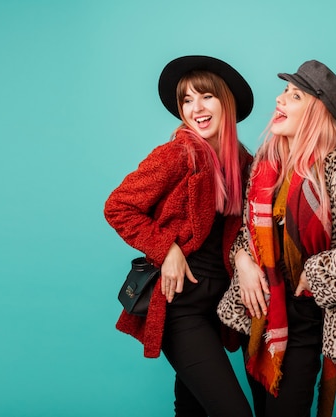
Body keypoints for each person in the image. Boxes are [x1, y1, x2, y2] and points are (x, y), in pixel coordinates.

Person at [217, 60, 336, 417]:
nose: (280, 100)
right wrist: (243, 261)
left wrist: (313, 273)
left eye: (294, 95)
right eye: (284, 91)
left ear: (316, 111)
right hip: (262, 319)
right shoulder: (267, 165)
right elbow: (246, 235)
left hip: (306, 318)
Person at [104, 55, 254, 417]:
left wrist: (244, 258)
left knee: (193, 409)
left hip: (218, 306)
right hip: (180, 308)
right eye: (186, 100)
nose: (195, 108)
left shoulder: (243, 162)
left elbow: (244, 231)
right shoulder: (177, 154)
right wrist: (166, 248)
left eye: (205, 97)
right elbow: (117, 206)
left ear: (226, 101)